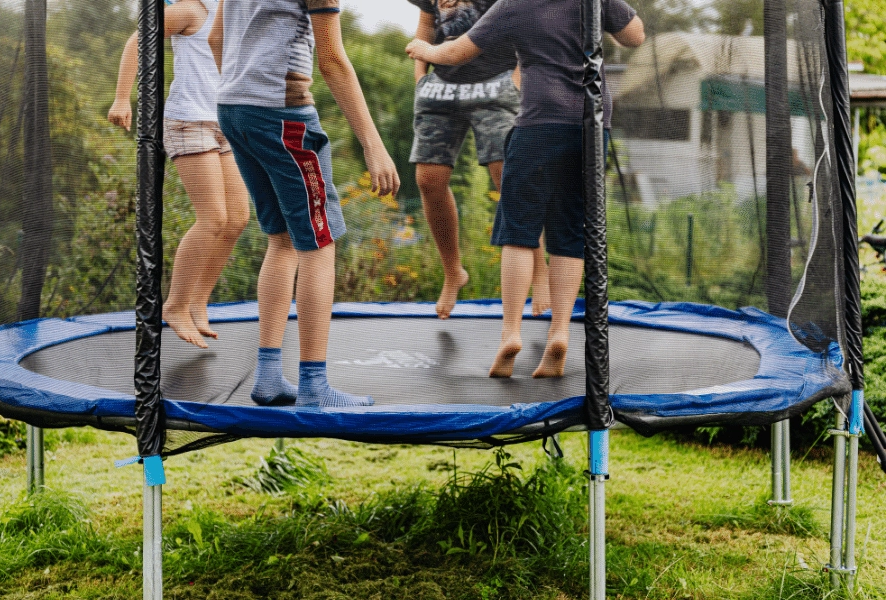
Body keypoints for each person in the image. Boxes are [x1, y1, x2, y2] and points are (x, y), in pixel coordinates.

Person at [406, 0, 643, 378]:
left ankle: (510, 333)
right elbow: (635, 36)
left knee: (518, 231)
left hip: (538, 123)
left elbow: (456, 51)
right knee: (569, 233)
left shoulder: (514, 4)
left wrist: (425, 50)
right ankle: (560, 332)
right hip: (592, 125)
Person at [209, 0, 400, 407]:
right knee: (319, 241)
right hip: (282, 115)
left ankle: (267, 377)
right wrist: (374, 144)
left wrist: (244, 83)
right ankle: (314, 384)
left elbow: (215, 38)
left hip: (233, 107)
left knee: (280, 239)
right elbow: (332, 60)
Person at [108, 0, 250, 350]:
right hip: (189, 121)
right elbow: (137, 42)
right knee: (213, 218)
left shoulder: (232, 11)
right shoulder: (189, 11)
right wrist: (122, 100)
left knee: (238, 219)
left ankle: (199, 300)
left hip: (224, 121)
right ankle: (174, 305)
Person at [406, 0, 551, 320]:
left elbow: (524, 25)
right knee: (428, 181)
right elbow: (427, 25)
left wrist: (516, 81)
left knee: (508, 178)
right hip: (441, 88)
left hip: (495, 83)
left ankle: (540, 272)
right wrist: (421, 78)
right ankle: (453, 272)